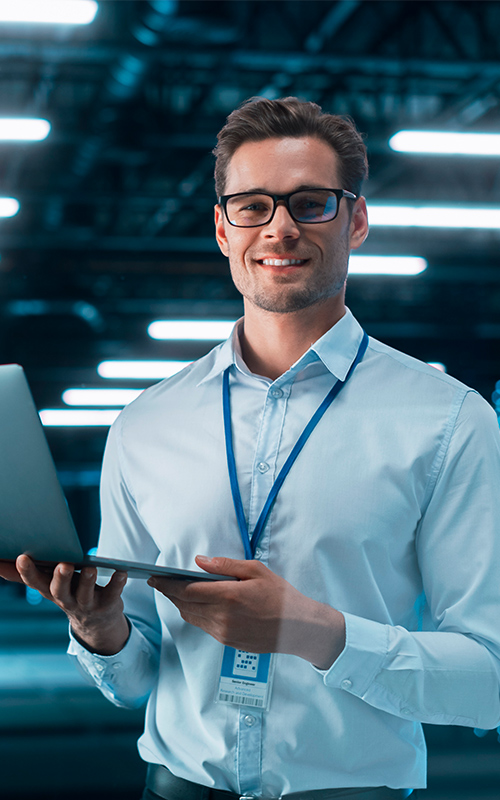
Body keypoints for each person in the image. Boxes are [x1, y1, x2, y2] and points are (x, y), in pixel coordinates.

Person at [2, 97, 500, 800]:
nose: (281, 227)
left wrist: (314, 631)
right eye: (253, 206)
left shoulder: (449, 422)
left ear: (356, 220)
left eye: (312, 202)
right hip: (174, 787)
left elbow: (491, 682)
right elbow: (138, 679)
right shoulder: (147, 422)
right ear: (221, 227)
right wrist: (100, 629)